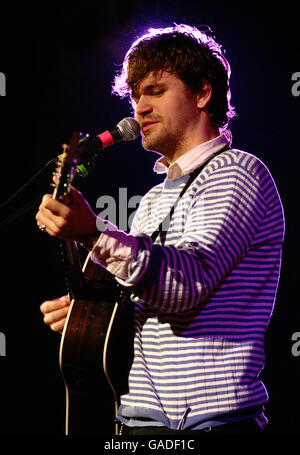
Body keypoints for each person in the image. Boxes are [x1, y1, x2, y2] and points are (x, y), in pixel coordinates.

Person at [37, 24, 285, 435]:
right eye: (135, 96)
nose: (140, 108)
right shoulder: (153, 200)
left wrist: (93, 233)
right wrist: (93, 313)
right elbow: (147, 298)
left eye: (155, 90)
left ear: (202, 93)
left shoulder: (237, 172)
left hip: (209, 424)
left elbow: (185, 284)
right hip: (138, 421)